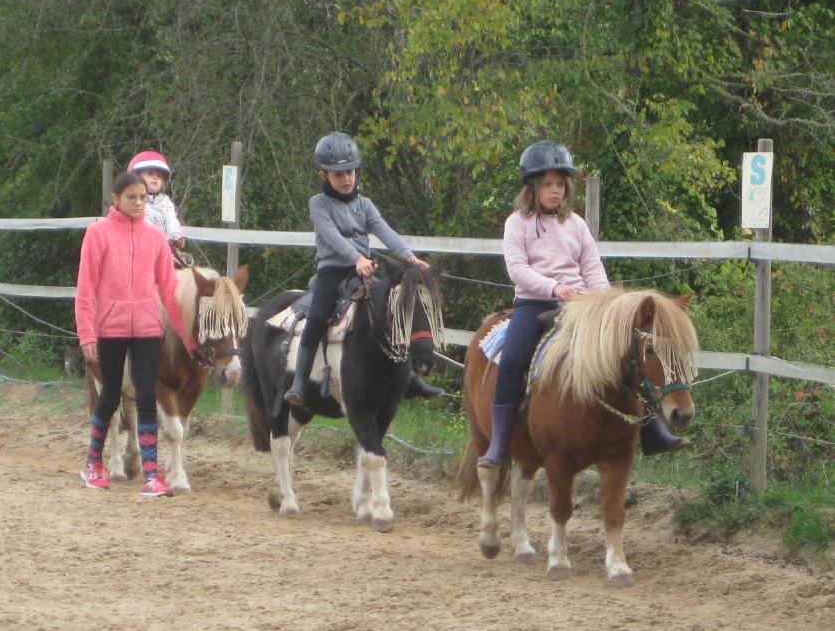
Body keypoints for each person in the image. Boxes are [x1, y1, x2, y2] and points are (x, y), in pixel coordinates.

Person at [478, 141, 686, 468]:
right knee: (514, 357)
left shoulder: (575, 223)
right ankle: (501, 442)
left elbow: (591, 265)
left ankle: (652, 430)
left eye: (560, 184)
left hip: (581, 306)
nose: (555, 191)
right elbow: (517, 268)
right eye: (547, 184)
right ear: (532, 187)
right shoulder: (516, 223)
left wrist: (604, 301)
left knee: (628, 353)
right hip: (534, 304)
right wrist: (554, 287)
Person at [284, 131, 442, 407]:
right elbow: (331, 236)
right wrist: (356, 257)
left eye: (350, 172)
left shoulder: (365, 204)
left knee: (394, 311)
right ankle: (299, 381)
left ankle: (410, 378)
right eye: (338, 174)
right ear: (324, 176)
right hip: (332, 272)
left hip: (365, 271)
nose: (346, 179)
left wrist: (411, 258)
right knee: (318, 315)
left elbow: (385, 231)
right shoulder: (318, 204)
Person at [75, 171, 201, 496]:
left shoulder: (156, 238)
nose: (138, 202)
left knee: (147, 396)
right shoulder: (97, 234)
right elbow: (86, 288)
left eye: (143, 197)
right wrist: (87, 334)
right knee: (110, 395)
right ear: (115, 200)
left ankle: (150, 474)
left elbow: (168, 291)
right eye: (131, 197)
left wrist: (187, 339)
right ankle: (93, 463)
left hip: (147, 327)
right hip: (110, 327)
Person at [127, 150, 185, 249]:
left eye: (159, 176)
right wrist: (160, 237)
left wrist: (175, 236)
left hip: (163, 249)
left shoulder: (165, 202)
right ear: (135, 177)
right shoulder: (133, 200)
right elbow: (142, 222)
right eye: (150, 174)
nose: (155, 178)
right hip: (139, 249)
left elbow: (170, 219)